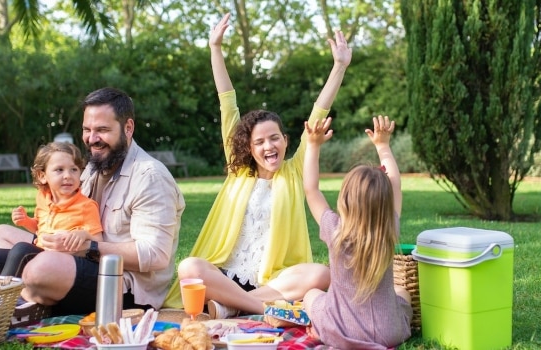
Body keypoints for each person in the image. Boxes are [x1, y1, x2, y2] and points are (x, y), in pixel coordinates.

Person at [162, 13, 351, 319]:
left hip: (272, 282)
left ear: (286, 141)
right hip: (224, 274)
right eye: (260, 142)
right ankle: (263, 309)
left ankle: (229, 306)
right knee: (189, 267)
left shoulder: (294, 172)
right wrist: (215, 48)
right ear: (248, 148)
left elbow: (319, 113)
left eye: (274, 138)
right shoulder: (239, 170)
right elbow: (227, 102)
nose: (268, 146)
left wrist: (339, 66)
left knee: (320, 274)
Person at [0, 87, 186, 316]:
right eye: (87, 130)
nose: (92, 139)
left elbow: (156, 255)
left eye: (102, 130)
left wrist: (90, 248)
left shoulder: (150, 176)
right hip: (76, 257)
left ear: (128, 128)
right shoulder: (93, 166)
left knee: (40, 269)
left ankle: (10, 305)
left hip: (122, 286)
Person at [301, 115, 412, 349]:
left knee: (311, 295)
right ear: (385, 202)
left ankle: (322, 331)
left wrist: (313, 146)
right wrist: (383, 146)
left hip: (339, 331)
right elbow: (395, 184)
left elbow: (311, 190)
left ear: (345, 200)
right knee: (402, 292)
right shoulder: (389, 227)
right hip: (388, 332)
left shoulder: (335, 230)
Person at [0, 141, 104, 277]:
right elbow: (40, 227)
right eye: (59, 170)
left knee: (21, 250)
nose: (68, 175)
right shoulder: (42, 197)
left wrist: (82, 234)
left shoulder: (86, 206)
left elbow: (98, 240)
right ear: (42, 176)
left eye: (74, 169)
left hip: (64, 262)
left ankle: (2, 295)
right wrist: (25, 221)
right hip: (41, 251)